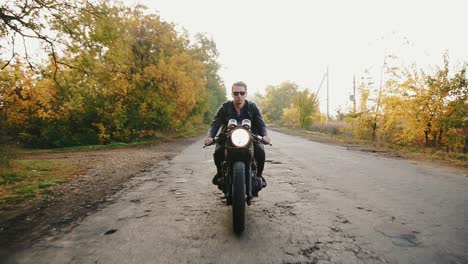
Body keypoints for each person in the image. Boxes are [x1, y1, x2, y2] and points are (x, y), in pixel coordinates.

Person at [204, 81, 271, 188]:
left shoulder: (252, 107)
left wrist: (265, 135)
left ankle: (259, 176)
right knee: (218, 152)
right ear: (232, 94)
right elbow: (215, 123)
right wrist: (210, 136)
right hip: (227, 136)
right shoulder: (225, 107)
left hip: (250, 136)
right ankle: (220, 174)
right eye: (236, 93)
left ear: (246, 94)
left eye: (241, 93)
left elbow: (260, 123)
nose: (239, 96)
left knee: (260, 151)